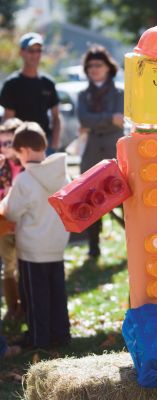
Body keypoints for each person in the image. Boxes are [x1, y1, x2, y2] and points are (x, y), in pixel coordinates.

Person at [0, 122, 70, 349]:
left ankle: (38, 339)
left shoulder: (24, 179)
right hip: (56, 246)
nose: (18, 160)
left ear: (25, 151)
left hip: (32, 249)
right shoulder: (62, 176)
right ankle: (61, 334)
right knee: (57, 294)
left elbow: (11, 212)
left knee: (35, 297)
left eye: (17, 154)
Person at [77, 44, 124, 257]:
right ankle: (93, 246)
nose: (94, 69)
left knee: (123, 196)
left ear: (108, 67)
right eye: (90, 65)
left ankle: (132, 241)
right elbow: (83, 118)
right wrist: (108, 118)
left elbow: (121, 119)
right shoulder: (83, 95)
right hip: (91, 153)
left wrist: (97, 122)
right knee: (89, 197)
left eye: (98, 64)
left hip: (115, 151)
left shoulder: (120, 92)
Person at [0, 32, 61, 154]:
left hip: (44, 144)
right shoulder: (12, 84)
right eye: (31, 51)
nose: (35, 55)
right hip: (20, 146)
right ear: (21, 52)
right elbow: (8, 120)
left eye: (38, 51)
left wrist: (54, 144)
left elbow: (56, 117)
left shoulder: (48, 83)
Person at [0, 118, 23, 323]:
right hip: (5, 224)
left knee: (25, 266)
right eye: (1, 143)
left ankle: (25, 306)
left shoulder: (24, 167)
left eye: (9, 143)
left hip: (24, 225)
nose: (5, 148)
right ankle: (12, 308)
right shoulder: (1, 167)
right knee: (8, 267)